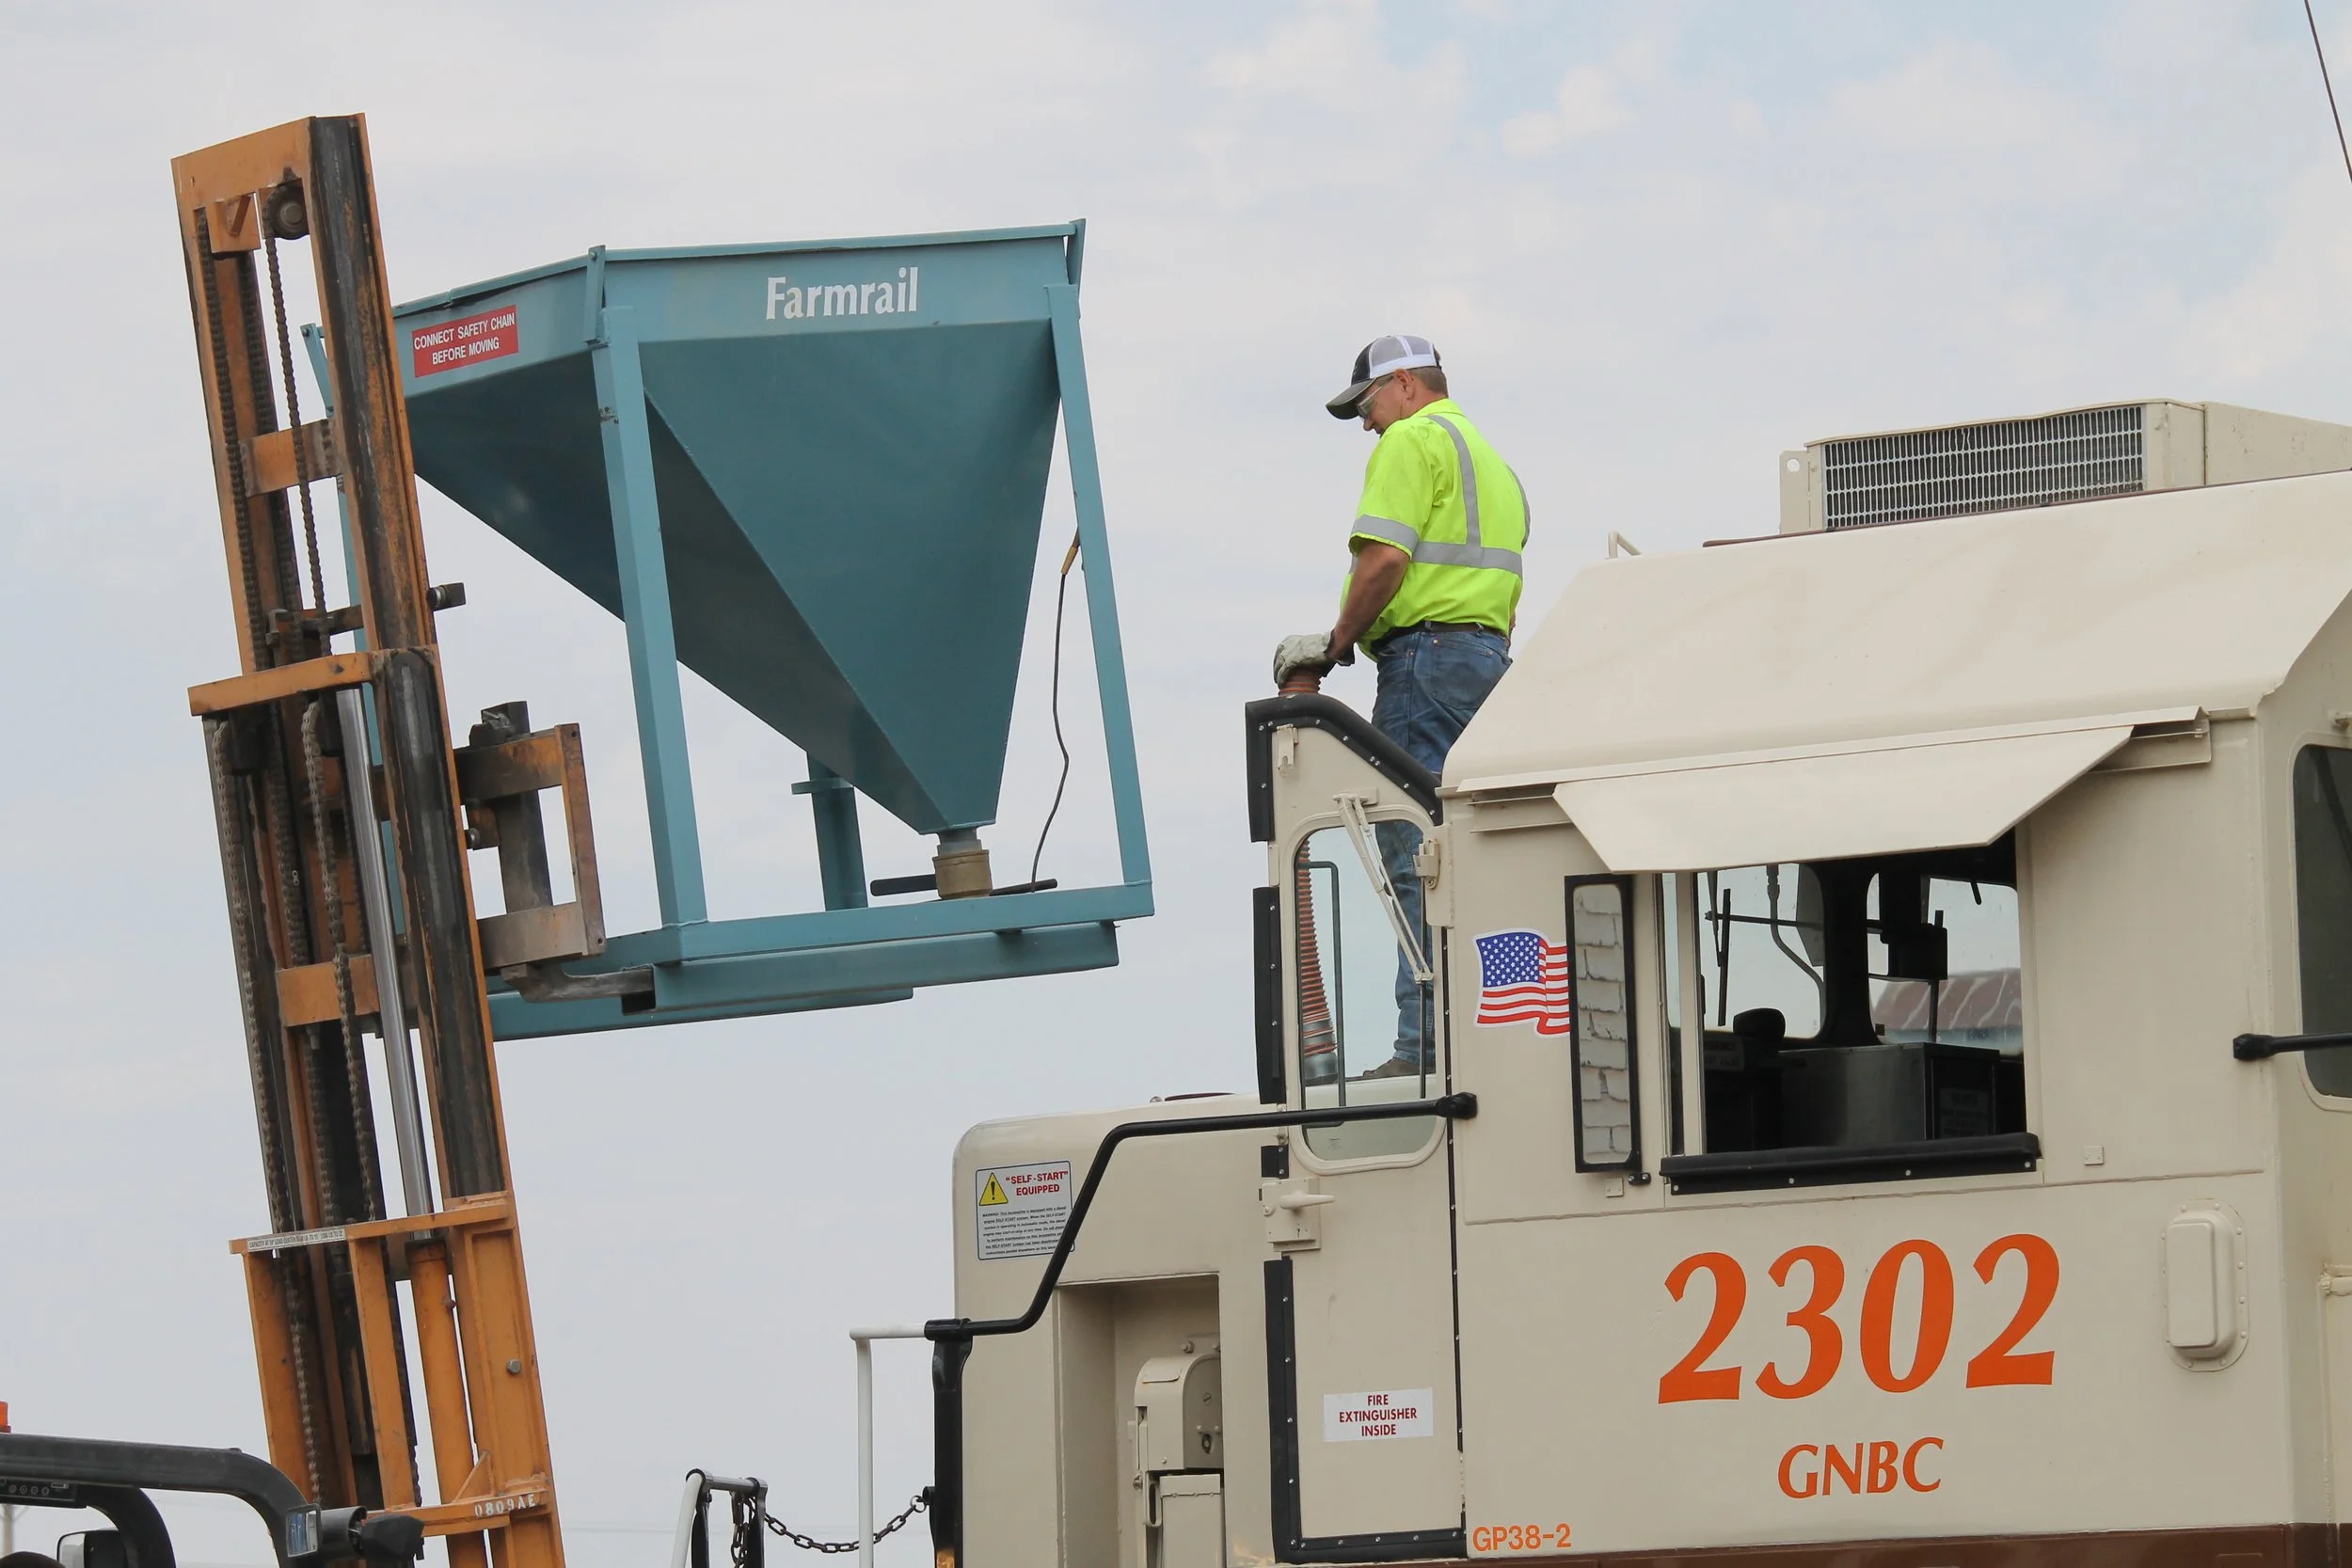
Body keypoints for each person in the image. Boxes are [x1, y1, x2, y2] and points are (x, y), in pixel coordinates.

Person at [1273, 334, 1527, 1079]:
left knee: (1415, 850)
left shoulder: (1411, 442)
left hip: (1424, 661)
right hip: (1486, 662)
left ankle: (1424, 1050)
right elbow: (1506, 602)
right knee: (1474, 853)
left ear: (1407, 384)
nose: (1366, 424)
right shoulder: (1496, 466)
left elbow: (1384, 558)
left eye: (1368, 405)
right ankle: (1484, 1037)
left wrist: (1335, 642)